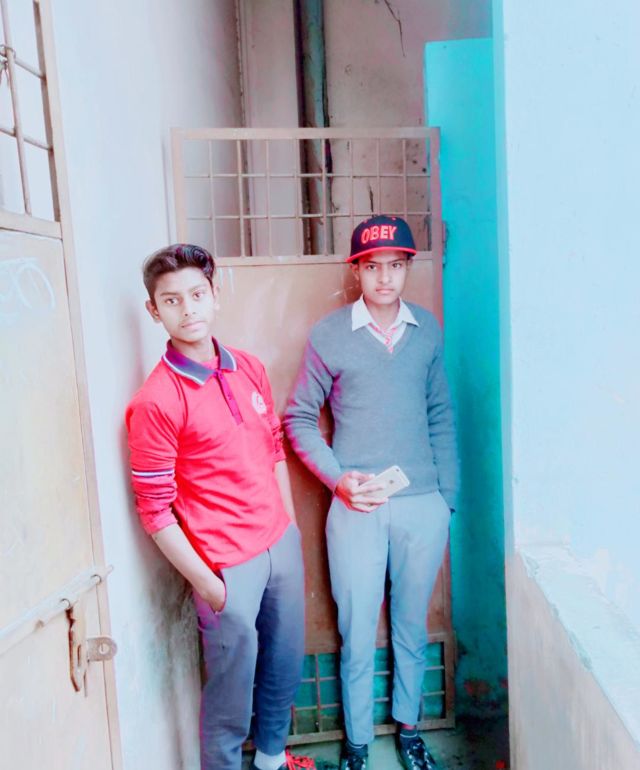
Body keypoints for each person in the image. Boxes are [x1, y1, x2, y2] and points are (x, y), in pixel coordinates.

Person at [125, 244, 315, 770]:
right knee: (229, 702)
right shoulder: (157, 401)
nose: (188, 309)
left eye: (196, 294)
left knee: (283, 669)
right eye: (172, 300)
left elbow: (274, 449)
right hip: (226, 567)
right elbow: (155, 513)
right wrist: (210, 587)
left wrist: (291, 529)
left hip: (280, 544)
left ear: (214, 295)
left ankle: (272, 760)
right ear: (154, 311)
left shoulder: (248, 367)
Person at [284, 216, 459, 770]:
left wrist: (446, 500)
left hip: (421, 505)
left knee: (410, 625)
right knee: (356, 629)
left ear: (407, 269)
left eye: (396, 265)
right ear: (356, 270)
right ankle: (357, 743)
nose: (385, 277)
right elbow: (298, 417)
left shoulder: (426, 330)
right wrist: (339, 479)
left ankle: (409, 729)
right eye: (373, 266)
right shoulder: (330, 335)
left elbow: (440, 414)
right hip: (355, 506)